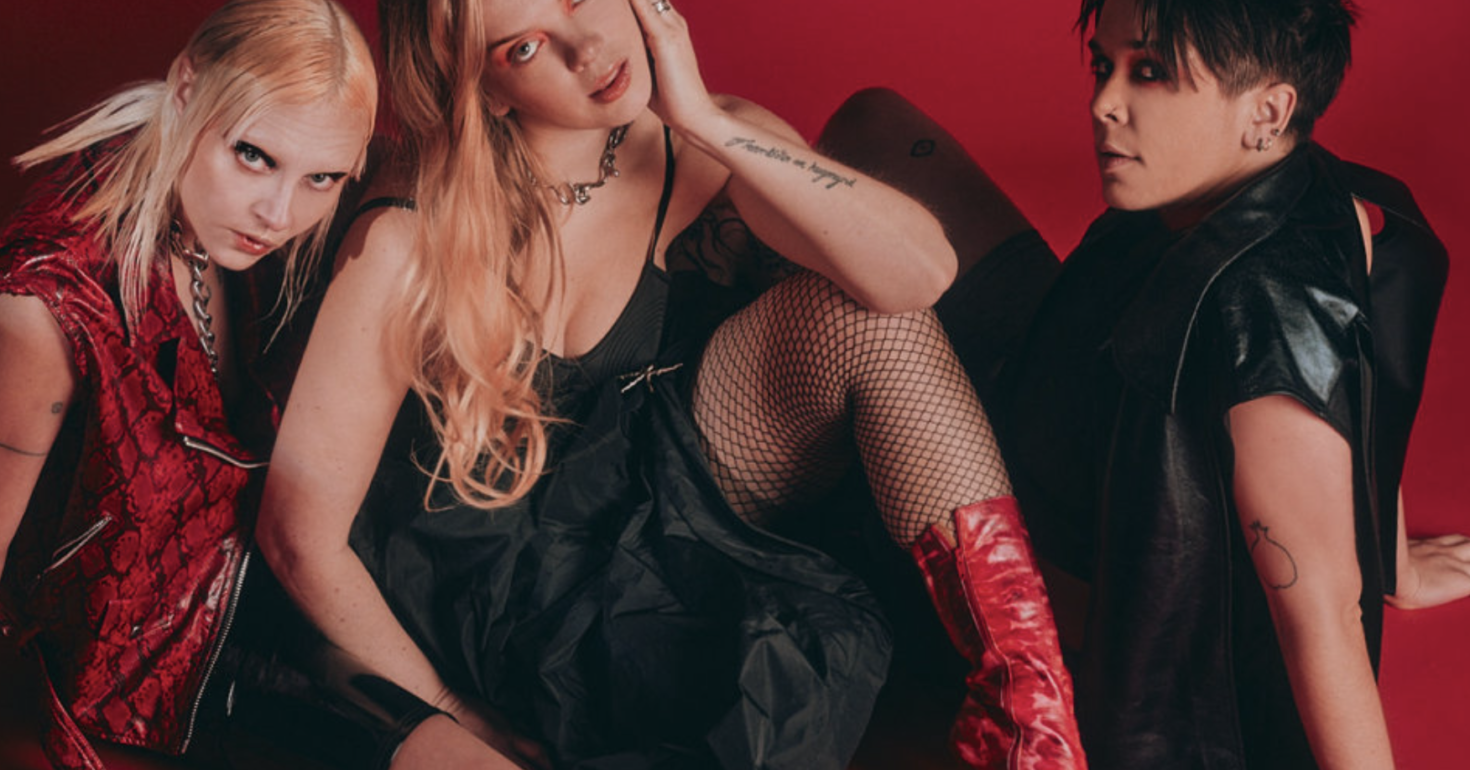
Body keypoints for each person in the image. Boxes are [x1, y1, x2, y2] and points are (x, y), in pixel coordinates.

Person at [253, 0, 1086, 768]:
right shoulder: (407, 233)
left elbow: (918, 276)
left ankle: (1034, 732)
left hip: (664, 509)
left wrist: (704, 122)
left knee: (871, 322)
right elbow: (299, 535)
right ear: (489, 90)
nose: (588, 50)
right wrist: (450, 711)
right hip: (496, 590)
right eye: (527, 46)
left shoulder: (706, 142)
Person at [838, 0, 1470, 766]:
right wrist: (1394, 562)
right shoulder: (1314, 190)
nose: (1103, 104)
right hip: (1063, 379)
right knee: (874, 124)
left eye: (1151, 72)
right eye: (1104, 66)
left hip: (1016, 557)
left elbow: (1324, 613)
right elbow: (1366, 380)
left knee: (854, 323)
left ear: (1267, 111)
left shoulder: (1262, 315)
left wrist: (1367, 579)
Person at [0, 0, 376, 767]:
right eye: (253, 155)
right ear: (185, 89)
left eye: (322, 177)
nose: (278, 213)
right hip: (99, 716)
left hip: (239, 650)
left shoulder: (234, 242)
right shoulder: (50, 302)